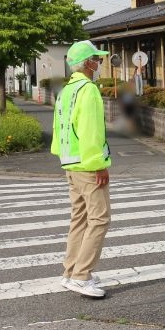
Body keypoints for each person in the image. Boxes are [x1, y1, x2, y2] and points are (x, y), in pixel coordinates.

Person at [51, 40, 112, 298]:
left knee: (80, 218)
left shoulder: (67, 90)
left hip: (70, 163)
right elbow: (90, 131)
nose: (99, 63)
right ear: (87, 63)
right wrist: (98, 164)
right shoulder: (88, 90)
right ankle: (81, 276)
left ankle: (70, 271)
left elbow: (59, 128)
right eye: (96, 59)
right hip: (88, 165)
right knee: (99, 219)